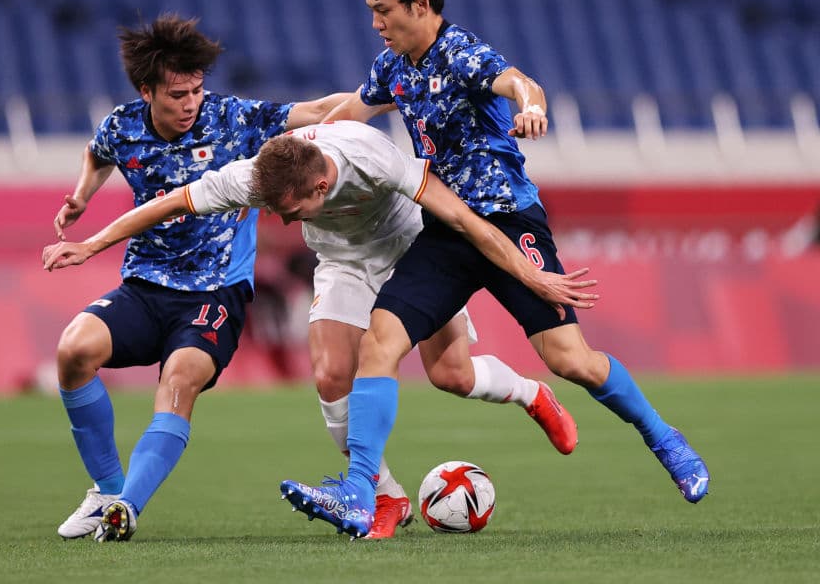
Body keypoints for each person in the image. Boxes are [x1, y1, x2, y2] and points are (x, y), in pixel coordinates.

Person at [280, 0, 710, 539]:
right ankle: (359, 489)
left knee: (572, 361)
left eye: (384, 10)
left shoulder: (461, 52)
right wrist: (294, 135)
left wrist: (531, 107)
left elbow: (518, 82)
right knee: (380, 344)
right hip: (445, 232)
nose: (375, 23)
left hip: (510, 222)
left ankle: (664, 438)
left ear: (421, 3)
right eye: (372, 10)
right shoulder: (393, 66)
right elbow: (351, 108)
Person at [44, 119, 597, 539]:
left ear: (324, 181)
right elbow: (170, 204)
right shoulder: (256, 178)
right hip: (342, 266)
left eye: (295, 210)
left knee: (450, 374)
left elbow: (457, 216)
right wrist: (92, 244)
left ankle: (530, 393)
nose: (286, 221)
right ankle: (385, 496)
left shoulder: (368, 154)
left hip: (410, 253)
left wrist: (529, 274)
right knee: (332, 375)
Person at [49, 13, 364, 543]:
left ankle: (127, 507)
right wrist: (82, 194)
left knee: (179, 381)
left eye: (196, 89)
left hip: (215, 295)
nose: (190, 102)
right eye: (177, 94)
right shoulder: (122, 126)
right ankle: (106, 490)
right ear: (146, 90)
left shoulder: (233, 118)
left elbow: (311, 111)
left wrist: (379, 93)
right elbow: (97, 153)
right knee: (72, 351)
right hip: (146, 286)